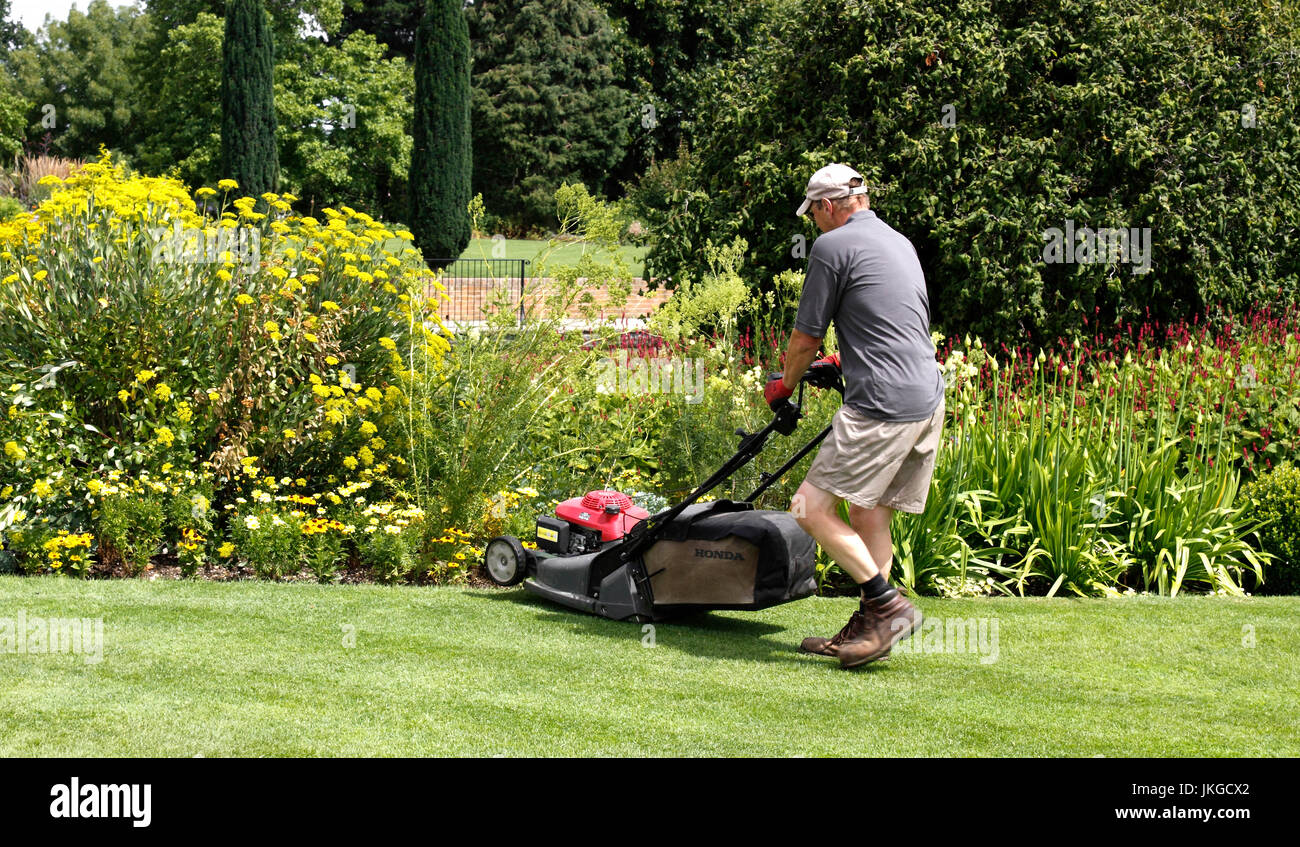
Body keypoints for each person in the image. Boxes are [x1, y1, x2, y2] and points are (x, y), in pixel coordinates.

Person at [763, 163, 946, 669]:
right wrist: (846, 361)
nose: (814, 225)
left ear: (827, 206)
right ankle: (869, 623)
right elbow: (897, 322)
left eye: (814, 214)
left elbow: (804, 338)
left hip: (882, 404)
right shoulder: (899, 241)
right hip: (926, 396)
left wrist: (786, 384)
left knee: (808, 507)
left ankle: (888, 608)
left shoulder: (831, 247)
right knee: (869, 511)